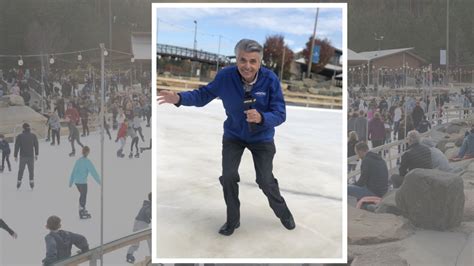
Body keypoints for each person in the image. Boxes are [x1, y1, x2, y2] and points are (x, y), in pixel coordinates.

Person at [158, 39, 295, 236]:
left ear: (260, 63)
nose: (247, 66)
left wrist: (262, 117)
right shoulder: (225, 77)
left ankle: (283, 212)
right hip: (234, 135)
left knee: (265, 180)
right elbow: (203, 95)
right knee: (228, 177)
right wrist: (179, 98)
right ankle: (233, 220)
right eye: (243, 60)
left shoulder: (270, 79)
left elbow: (280, 113)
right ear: (237, 59)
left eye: (253, 61)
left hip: (262, 137)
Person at [69, 146, 101, 219]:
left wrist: (71, 182)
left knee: (82, 195)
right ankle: (81, 210)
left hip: (77, 182)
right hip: (83, 182)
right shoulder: (87, 162)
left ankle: (83, 208)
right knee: (83, 195)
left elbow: (73, 171)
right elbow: (94, 172)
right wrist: (100, 182)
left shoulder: (78, 160)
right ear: (88, 152)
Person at [125, 193, 151, 264]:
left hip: (136, 222)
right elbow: (148, 213)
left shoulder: (145, 205)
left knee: (135, 242)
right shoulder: (149, 206)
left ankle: (129, 254)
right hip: (142, 223)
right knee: (150, 238)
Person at [14, 123, 39, 189]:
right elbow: (36, 145)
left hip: (23, 156)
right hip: (31, 156)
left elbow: (17, 146)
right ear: (29, 128)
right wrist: (36, 154)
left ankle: (19, 181)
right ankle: (31, 182)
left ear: (23, 128)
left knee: (21, 170)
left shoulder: (20, 136)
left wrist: (15, 155)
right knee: (31, 170)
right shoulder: (33, 135)